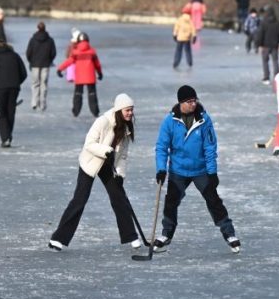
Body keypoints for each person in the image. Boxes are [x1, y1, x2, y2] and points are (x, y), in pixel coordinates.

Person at [48, 94, 141, 252]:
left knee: (119, 198)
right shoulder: (103, 121)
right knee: (80, 199)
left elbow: (123, 155)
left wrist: (120, 174)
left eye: (131, 110)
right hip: (90, 162)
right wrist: (106, 151)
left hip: (109, 164)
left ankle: (131, 236)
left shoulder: (126, 127)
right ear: (119, 110)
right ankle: (58, 239)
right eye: (127, 110)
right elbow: (89, 143)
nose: (130, 113)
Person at [153, 85, 241, 254]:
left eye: (194, 100)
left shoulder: (204, 119)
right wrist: (161, 169)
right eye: (189, 101)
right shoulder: (169, 121)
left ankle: (229, 233)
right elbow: (162, 147)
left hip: (200, 170)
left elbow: (209, 147)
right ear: (181, 103)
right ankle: (166, 234)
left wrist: (212, 172)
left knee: (214, 201)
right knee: (171, 202)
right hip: (178, 170)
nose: (193, 104)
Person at [0, 40, 28, 148]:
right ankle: (8, 135)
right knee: (10, 112)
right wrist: (15, 82)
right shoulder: (15, 56)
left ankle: (5, 138)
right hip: (14, 88)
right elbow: (24, 73)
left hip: (0, 89)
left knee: (2, 114)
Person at [57, 32, 102, 118]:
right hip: (90, 77)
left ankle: (76, 111)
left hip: (80, 77)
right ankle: (95, 111)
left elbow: (69, 61)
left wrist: (60, 69)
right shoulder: (92, 51)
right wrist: (99, 73)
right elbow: (97, 64)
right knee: (92, 94)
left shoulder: (76, 52)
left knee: (78, 94)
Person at [25, 21, 56, 111]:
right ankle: (43, 103)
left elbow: (28, 53)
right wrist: (49, 60)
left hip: (35, 65)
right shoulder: (50, 40)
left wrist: (31, 61)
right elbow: (53, 53)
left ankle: (34, 102)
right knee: (44, 84)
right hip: (46, 64)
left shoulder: (33, 39)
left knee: (35, 84)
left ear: (37, 28)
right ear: (45, 28)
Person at [255, 7, 279, 84]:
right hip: (274, 45)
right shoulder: (277, 23)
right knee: (275, 61)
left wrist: (258, 44)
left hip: (265, 45)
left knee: (265, 61)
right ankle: (277, 76)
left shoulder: (263, 23)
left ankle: (266, 77)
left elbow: (260, 34)